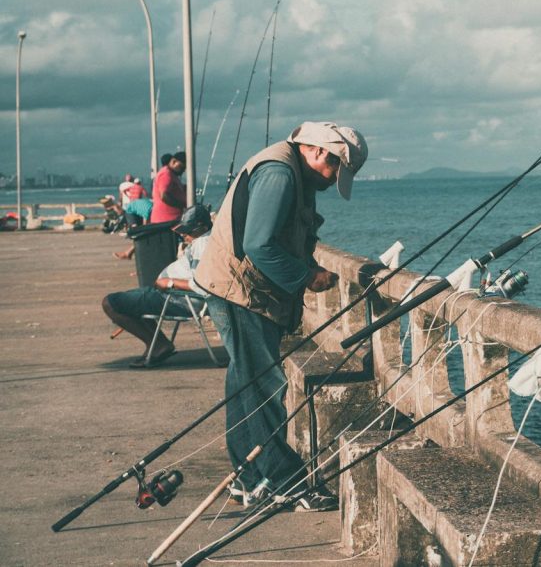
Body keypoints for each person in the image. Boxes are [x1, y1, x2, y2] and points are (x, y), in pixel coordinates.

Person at [195, 121, 368, 511]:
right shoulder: (279, 173)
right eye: (334, 171)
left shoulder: (296, 173)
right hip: (240, 293)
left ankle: (249, 478)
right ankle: (283, 480)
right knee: (263, 386)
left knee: (245, 384)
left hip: (238, 291)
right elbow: (259, 246)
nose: (330, 182)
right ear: (320, 151)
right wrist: (306, 275)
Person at [101, 204, 213, 368]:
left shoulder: (203, 244)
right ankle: (159, 345)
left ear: (202, 228)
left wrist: (168, 282)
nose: (184, 235)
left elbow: (202, 284)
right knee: (131, 301)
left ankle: (159, 345)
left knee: (110, 303)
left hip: (177, 299)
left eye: (188, 231)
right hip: (171, 295)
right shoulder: (205, 239)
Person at [151, 151, 187, 224]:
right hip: (166, 221)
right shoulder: (166, 174)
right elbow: (164, 196)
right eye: (181, 167)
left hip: (170, 220)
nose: (183, 171)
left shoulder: (172, 175)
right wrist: (182, 205)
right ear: (174, 162)